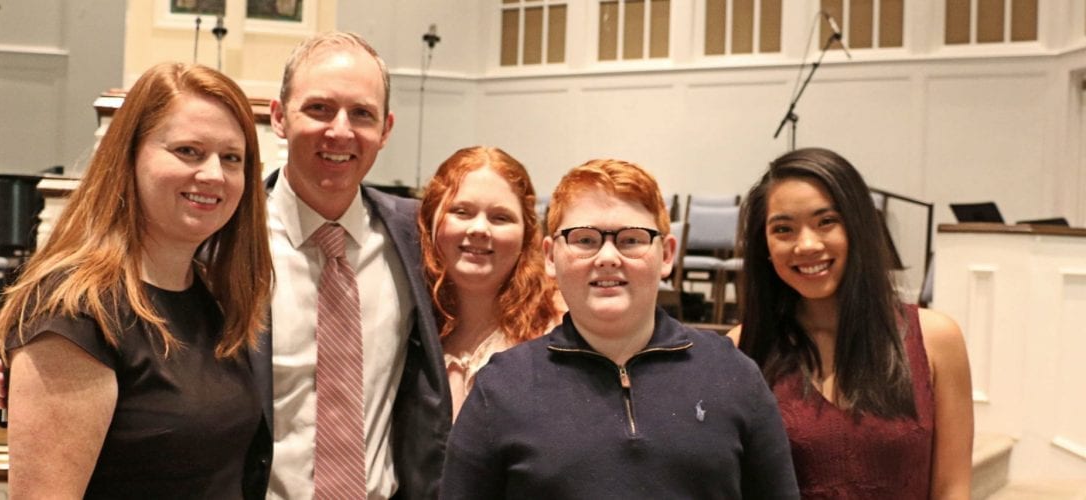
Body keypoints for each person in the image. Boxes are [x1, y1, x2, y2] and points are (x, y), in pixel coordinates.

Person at [0, 32, 451, 499]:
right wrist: (22, 374)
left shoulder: (420, 236)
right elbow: (89, 345)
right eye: (319, 109)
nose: (340, 131)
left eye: (362, 114)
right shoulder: (211, 241)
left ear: (386, 129)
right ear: (281, 118)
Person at [0, 62, 273, 498]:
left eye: (232, 158)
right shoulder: (74, 313)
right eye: (188, 151)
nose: (213, 175)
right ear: (130, 154)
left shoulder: (210, 295)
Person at [441, 159, 799, 498]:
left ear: (667, 255)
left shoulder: (733, 375)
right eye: (584, 239)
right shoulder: (502, 387)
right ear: (550, 257)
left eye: (631, 239)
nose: (608, 257)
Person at [728, 147, 973, 498]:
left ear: (857, 226)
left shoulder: (936, 339)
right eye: (784, 229)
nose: (807, 245)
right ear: (765, 246)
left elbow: (952, 488)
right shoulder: (743, 349)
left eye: (826, 222)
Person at [417, 146, 562, 420]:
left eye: (501, 217)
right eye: (462, 212)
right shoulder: (407, 325)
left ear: (526, 233)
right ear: (430, 221)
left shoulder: (558, 333)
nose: (480, 229)